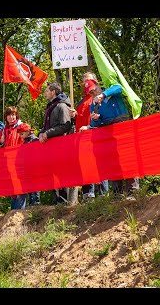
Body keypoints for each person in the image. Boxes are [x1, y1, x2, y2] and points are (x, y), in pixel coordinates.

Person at [79, 79, 139, 200]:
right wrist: (95, 119)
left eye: (93, 90)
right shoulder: (93, 105)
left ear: (97, 85)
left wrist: (103, 95)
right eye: (90, 93)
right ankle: (118, 193)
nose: (93, 93)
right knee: (113, 160)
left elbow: (119, 87)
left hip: (122, 125)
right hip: (107, 130)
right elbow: (95, 124)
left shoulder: (111, 92)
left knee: (126, 157)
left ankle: (133, 190)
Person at [71, 72, 109, 202]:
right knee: (86, 166)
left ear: (95, 81)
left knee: (100, 166)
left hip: (95, 134)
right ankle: (89, 197)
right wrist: (76, 115)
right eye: (84, 81)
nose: (87, 83)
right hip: (82, 138)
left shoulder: (101, 96)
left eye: (89, 80)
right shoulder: (83, 100)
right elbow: (82, 117)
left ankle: (104, 196)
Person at [38, 82, 73, 205]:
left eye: (47, 91)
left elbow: (65, 125)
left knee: (61, 172)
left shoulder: (62, 106)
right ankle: (56, 200)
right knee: (52, 172)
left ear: (53, 92)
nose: (45, 93)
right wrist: (41, 133)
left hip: (61, 145)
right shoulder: (50, 106)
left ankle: (63, 201)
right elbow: (47, 126)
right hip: (51, 145)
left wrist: (48, 133)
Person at [0, 106, 26, 210]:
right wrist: (1, 141)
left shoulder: (21, 126)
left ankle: (20, 211)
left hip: (19, 160)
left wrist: (25, 132)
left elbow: (29, 134)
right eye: (9, 115)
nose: (11, 117)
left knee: (19, 186)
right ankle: (13, 210)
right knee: (11, 186)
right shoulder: (4, 130)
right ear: (6, 117)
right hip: (7, 161)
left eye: (13, 114)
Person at [13, 123, 41, 208]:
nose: (21, 136)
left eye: (22, 134)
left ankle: (36, 203)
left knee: (35, 187)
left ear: (28, 131)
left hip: (35, 168)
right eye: (19, 134)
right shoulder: (25, 141)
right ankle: (31, 203)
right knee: (29, 187)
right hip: (27, 168)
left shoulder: (35, 140)